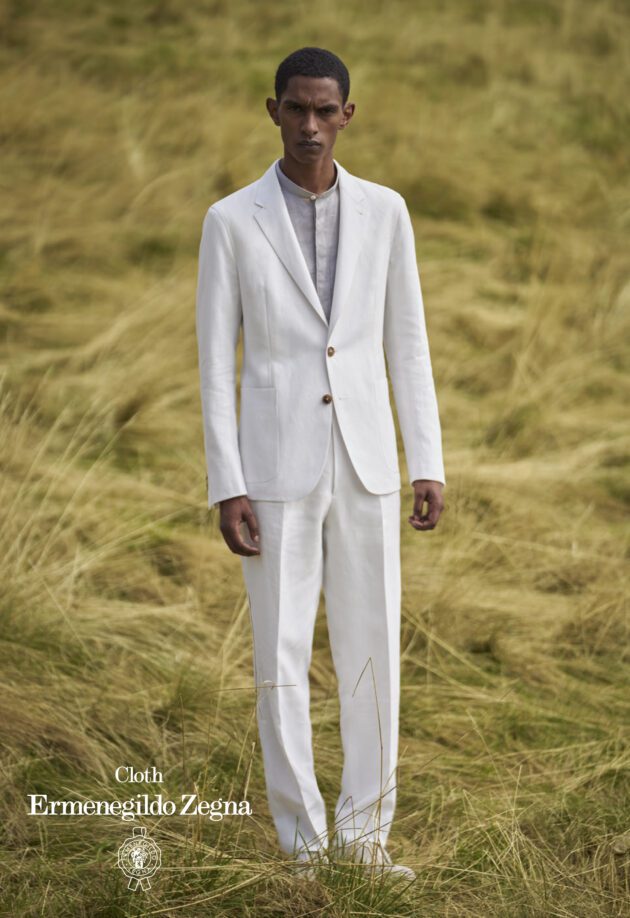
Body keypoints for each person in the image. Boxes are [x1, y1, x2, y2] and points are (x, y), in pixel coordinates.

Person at [195, 46, 446, 881]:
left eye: (324, 110)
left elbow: (407, 345)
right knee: (281, 655)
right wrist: (226, 481)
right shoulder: (231, 221)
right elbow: (212, 362)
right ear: (273, 112)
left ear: (348, 115)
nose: (309, 125)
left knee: (374, 650)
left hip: (369, 463)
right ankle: (303, 850)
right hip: (273, 469)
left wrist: (427, 463)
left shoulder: (388, 212)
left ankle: (366, 842)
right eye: (295, 109)